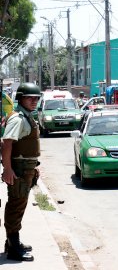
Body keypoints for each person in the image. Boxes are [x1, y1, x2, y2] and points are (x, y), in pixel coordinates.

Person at [1, 82, 42, 261]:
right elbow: (7, 143)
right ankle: (13, 248)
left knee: (20, 204)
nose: (33, 101)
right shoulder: (18, 118)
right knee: (16, 205)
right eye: (29, 98)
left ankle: (12, 242)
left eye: (36, 98)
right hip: (18, 169)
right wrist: (7, 169)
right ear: (21, 99)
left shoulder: (27, 116)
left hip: (26, 168)